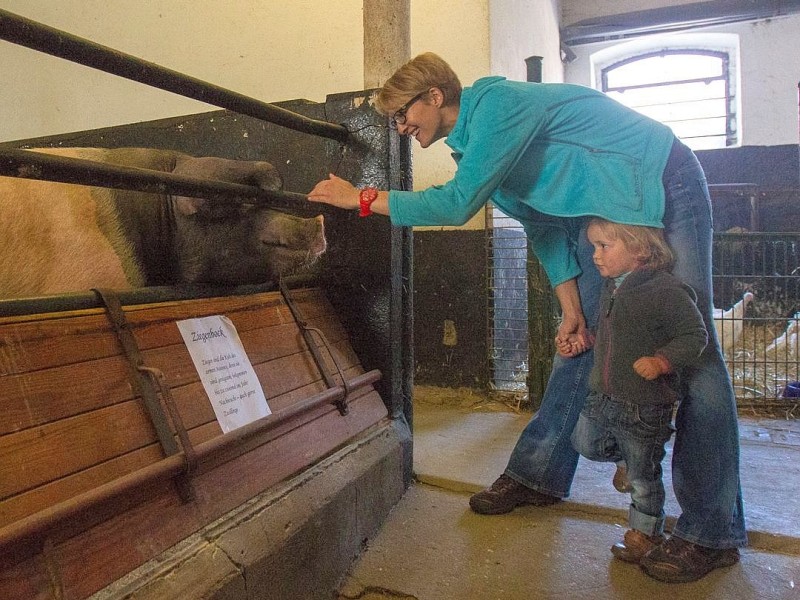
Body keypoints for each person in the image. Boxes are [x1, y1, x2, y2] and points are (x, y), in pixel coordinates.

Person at [307, 52, 747, 583]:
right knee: (578, 344)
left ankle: (711, 530)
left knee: (692, 350)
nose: (401, 129)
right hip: (604, 212)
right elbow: (543, 229)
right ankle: (539, 474)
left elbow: (454, 206)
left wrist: (360, 198)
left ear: (435, 96)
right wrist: (570, 312)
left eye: (403, 115)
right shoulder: (473, 147)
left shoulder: (497, 107)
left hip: (662, 179)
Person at [567, 218, 708, 569]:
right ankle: (623, 462)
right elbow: (615, 335)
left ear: (640, 249)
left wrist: (662, 361)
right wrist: (587, 338)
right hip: (602, 395)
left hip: (645, 406)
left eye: (604, 246)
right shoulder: (613, 286)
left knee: (645, 478)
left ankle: (645, 534)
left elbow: (695, 336)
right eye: (594, 246)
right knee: (584, 442)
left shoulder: (665, 290)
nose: (595, 255)